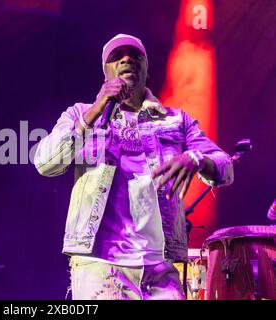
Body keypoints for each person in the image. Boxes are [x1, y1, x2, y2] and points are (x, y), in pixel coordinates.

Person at [34, 34, 234, 300]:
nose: (126, 59)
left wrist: (196, 158)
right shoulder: (80, 114)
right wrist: (94, 112)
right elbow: (45, 163)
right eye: (117, 57)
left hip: (160, 266)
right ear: (105, 72)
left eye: (134, 55)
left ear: (146, 68)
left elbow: (226, 168)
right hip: (101, 265)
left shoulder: (175, 120)